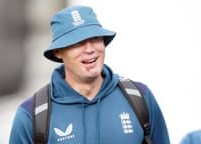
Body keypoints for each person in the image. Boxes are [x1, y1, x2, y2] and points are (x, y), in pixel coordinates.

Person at [9, 5, 170, 144]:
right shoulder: (31, 115)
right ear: (58, 52)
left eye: (94, 38)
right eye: (77, 42)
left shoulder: (140, 98)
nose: (89, 49)